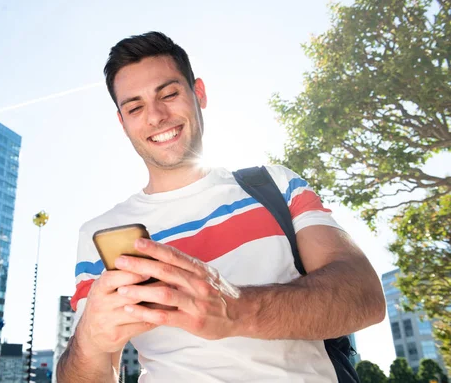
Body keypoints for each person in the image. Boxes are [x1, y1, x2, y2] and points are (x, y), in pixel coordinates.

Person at [57, 32, 385, 383]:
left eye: (168, 94)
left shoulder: (275, 185)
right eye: (135, 107)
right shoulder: (100, 235)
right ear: (123, 123)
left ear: (199, 94)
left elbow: (365, 295)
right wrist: (89, 342)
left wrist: (238, 309)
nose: (155, 116)